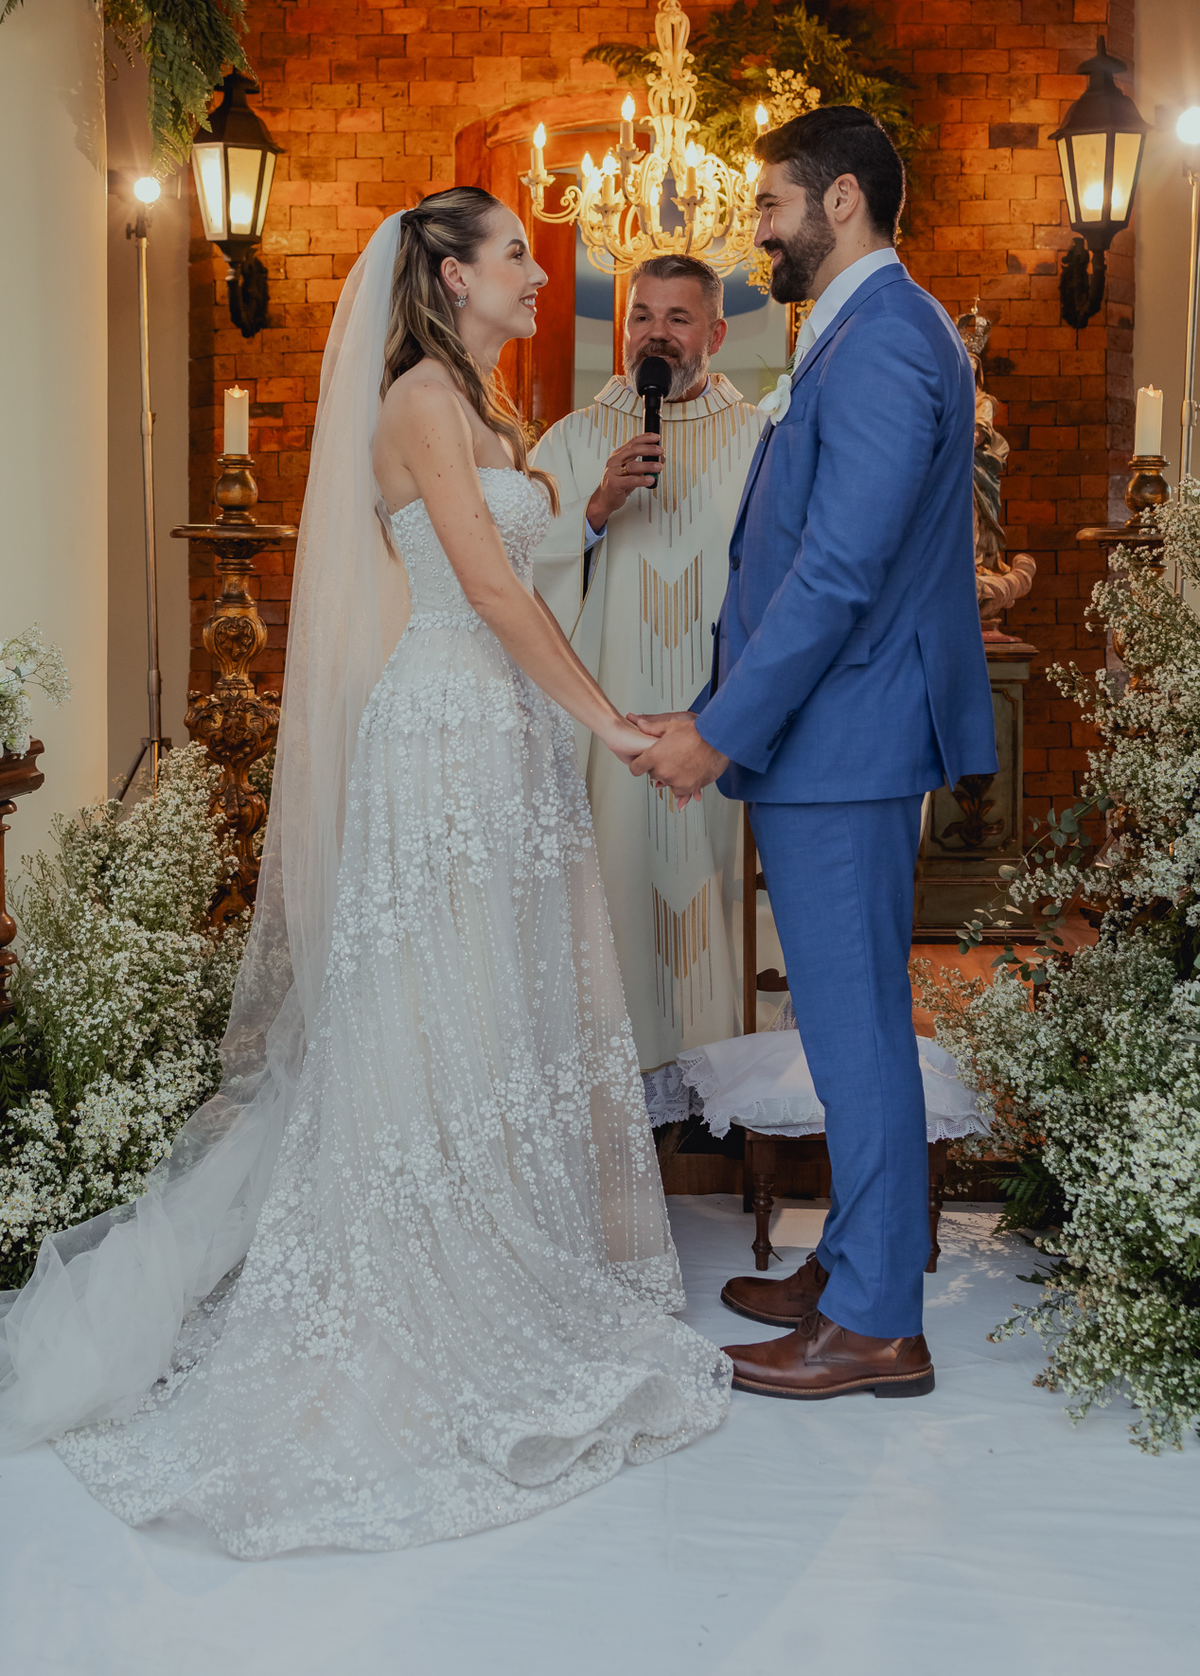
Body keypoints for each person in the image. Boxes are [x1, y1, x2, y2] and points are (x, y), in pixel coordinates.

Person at [0, 190, 730, 1555]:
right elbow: (491, 593)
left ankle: (502, 1245)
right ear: (450, 276)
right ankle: (421, 1284)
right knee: (433, 1005)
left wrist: (574, 602)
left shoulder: (486, 408)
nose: (539, 274)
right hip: (447, 729)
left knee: (495, 1004)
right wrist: (617, 725)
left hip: (502, 736)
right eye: (515, 255)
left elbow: (526, 561)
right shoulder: (416, 402)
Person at [633, 108, 997, 1401]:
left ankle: (878, 1322)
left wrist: (720, 728)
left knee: (856, 1034)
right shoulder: (855, 328)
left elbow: (840, 572)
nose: (760, 231)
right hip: (830, 734)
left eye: (771, 204)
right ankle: (851, 1264)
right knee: (847, 1026)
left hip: (845, 738)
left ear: (841, 199)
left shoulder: (887, 337)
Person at [532, 256, 773, 1082]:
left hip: (721, 722)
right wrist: (595, 509)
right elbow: (510, 575)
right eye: (642, 316)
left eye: (678, 318)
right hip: (611, 720)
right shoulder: (572, 439)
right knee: (614, 892)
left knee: (715, 895)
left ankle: (720, 1097)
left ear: (717, 333)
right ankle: (615, 1094)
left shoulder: (762, 441)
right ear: (622, 328)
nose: (656, 335)